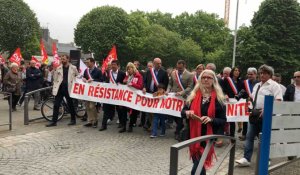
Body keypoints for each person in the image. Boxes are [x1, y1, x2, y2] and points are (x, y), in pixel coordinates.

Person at [236, 64, 283, 167]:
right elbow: (253, 98)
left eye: (265, 73)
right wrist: (249, 101)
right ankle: (246, 158)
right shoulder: (257, 85)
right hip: (254, 114)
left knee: (265, 138)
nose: (262, 75)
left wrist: (267, 109)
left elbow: (278, 100)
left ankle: (266, 159)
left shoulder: (274, 85)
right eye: (261, 73)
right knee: (249, 136)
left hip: (267, 116)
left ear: (270, 74)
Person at [182, 69, 226, 175]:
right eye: (203, 77)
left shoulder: (219, 99)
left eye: (209, 77)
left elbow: (223, 120)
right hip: (192, 136)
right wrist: (187, 112)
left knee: (197, 168)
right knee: (199, 166)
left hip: (207, 138)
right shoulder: (193, 96)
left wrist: (211, 119)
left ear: (214, 80)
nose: (206, 79)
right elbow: (182, 112)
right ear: (200, 79)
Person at [46, 54, 79, 127]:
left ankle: (73, 120)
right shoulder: (58, 68)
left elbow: (78, 76)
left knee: (71, 105)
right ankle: (54, 121)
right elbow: (55, 79)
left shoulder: (73, 68)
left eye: (63, 59)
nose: (62, 60)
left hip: (69, 89)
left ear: (68, 59)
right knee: (56, 105)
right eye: (61, 59)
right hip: (60, 89)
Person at [167, 60, 193, 140]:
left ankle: (177, 132)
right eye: (178, 68)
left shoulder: (189, 75)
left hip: (183, 98)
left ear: (184, 66)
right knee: (173, 114)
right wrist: (168, 90)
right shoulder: (173, 73)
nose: (179, 70)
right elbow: (170, 83)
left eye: (180, 69)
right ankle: (180, 126)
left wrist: (182, 92)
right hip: (174, 97)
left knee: (180, 116)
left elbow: (190, 87)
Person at [99, 60, 126, 133]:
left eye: (114, 64)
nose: (113, 66)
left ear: (118, 65)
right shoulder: (108, 73)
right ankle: (103, 125)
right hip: (109, 95)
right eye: (112, 64)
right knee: (106, 110)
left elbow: (125, 83)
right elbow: (103, 81)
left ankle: (122, 124)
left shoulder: (122, 73)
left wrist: (122, 84)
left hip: (118, 95)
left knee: (120, 110)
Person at [143, 58, 169, 131]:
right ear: (154, 64)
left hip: (158, 95)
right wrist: (144, 87)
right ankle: (151, 124)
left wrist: (159, 92)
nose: (160, 65)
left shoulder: (164, 72)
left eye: (160, 63)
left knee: (155, 111)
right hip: (149, 94)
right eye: (158, 63)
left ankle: (154, 126)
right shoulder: (148, 72)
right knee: (149, 111)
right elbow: (144, 81)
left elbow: (165, 84)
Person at [238, 67, 259, 141]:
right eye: (248, 74)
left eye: (251, 74)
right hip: (246, 102)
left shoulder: (259, 83)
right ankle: (244, 134)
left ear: (255, 74)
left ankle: (255, 134)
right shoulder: (244, 82)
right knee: (245, 119)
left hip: (255, 104)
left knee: (254, 119)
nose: (249, 76)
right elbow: (241, 91)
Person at [123, 62, 143, 132]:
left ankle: (131, 125)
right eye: (127, 69)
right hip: (128, 96)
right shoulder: (127, 76)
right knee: (126, 111)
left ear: (133, 68)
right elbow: (124, 82)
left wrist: (132, 84)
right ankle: (124, 125)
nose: (128, 70)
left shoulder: (138, 76)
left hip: (134, 96)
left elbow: (140, 86)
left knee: (133, 112)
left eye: (130, 68)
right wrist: (124, 82)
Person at [223, 67, 243, 137]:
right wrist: (225, 94)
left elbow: (243, 91)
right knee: (231, 121)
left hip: (238, 102)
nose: (237, 72)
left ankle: (235, 135)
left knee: (237, 119)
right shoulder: (227, 80)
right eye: (235, 70)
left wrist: (240, 96)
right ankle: (231, 136)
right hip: (229, 102)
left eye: (238, 71)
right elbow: (223, 89)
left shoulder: (241, 81)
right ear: (232, 71)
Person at [82, 58, 102, 128]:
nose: (87, 64)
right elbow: (84, 77)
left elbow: (101, 80)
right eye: (86, 62)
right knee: (87, 106)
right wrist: (84, 79)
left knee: (92, 106)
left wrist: (93, 80)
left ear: (93, 62)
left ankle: (95, 120)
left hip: (94, 91)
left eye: (88, 62)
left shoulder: (98, 71)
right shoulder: (86, 70)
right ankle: (90, 121)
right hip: (87, 91)